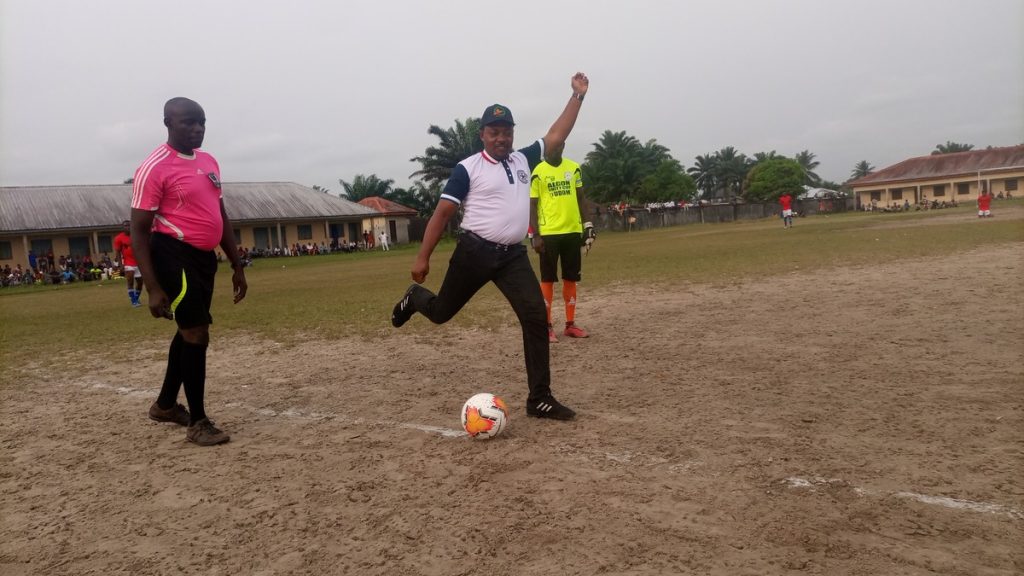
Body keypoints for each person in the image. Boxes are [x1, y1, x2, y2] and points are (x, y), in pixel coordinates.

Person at [390, 72, 590, 421]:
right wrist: (423, 257)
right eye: (494, 132)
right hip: (475, 253)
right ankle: (414, 298)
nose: (502, 138)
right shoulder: (467, 169)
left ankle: (539, 399)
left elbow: (557, 134)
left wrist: (577, 97)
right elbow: (441, 214)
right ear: (482, 135)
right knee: (441, 313)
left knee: (534, 318)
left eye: (507, 131)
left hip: (512, 257)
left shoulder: (524, 159)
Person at [130, 96, 247, 446]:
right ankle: (198, 421)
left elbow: (219, 214)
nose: (197, 129)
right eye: (188, 123)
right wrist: (151, 286)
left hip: (203, 258)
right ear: (168, 122)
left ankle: (165, 405)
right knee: (197, 332)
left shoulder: (209, 161)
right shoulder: (154, 167)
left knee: (188, 330)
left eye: (202, 122)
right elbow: (139, 231)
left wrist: (236, 263)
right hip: (170, 254)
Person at [529, 142, 594, 343]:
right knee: (547, 279)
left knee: (571, 278)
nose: (553, 150)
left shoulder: (574, 168)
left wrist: (588, 225)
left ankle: (570, 325)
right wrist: (535, 235)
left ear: (564, 146)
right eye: (550, 147)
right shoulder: (538, 172)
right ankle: (547, 326)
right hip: (548, 234)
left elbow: (581, 198)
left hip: (572, 231)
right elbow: (532, 204)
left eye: (558, 146)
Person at [113, 220, 144, 307]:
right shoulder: (118, 238)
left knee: (140, 283)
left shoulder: (137, 236)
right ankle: (134, 301)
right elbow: (118, 252)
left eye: (129, 225)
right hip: (128, 263)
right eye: (125, 226)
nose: (127, 227)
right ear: (122, 228)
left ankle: (136, 298)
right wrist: (120, 264)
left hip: (139, 263)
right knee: (130, 281)